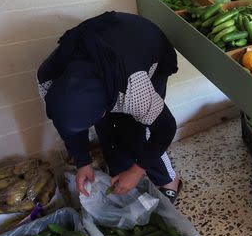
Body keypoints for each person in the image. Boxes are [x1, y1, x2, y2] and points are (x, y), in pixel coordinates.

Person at [38, 11, 183, 202]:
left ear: (105, 109)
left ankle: (169, 180)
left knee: (138, 131)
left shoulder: (134, 88)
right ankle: (123, 174)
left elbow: (165, 129)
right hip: (109, 50)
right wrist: (83, 162)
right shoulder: (49, 78)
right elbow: (67, 125)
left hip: (146, 43)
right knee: (108, 131)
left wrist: (137, 171)